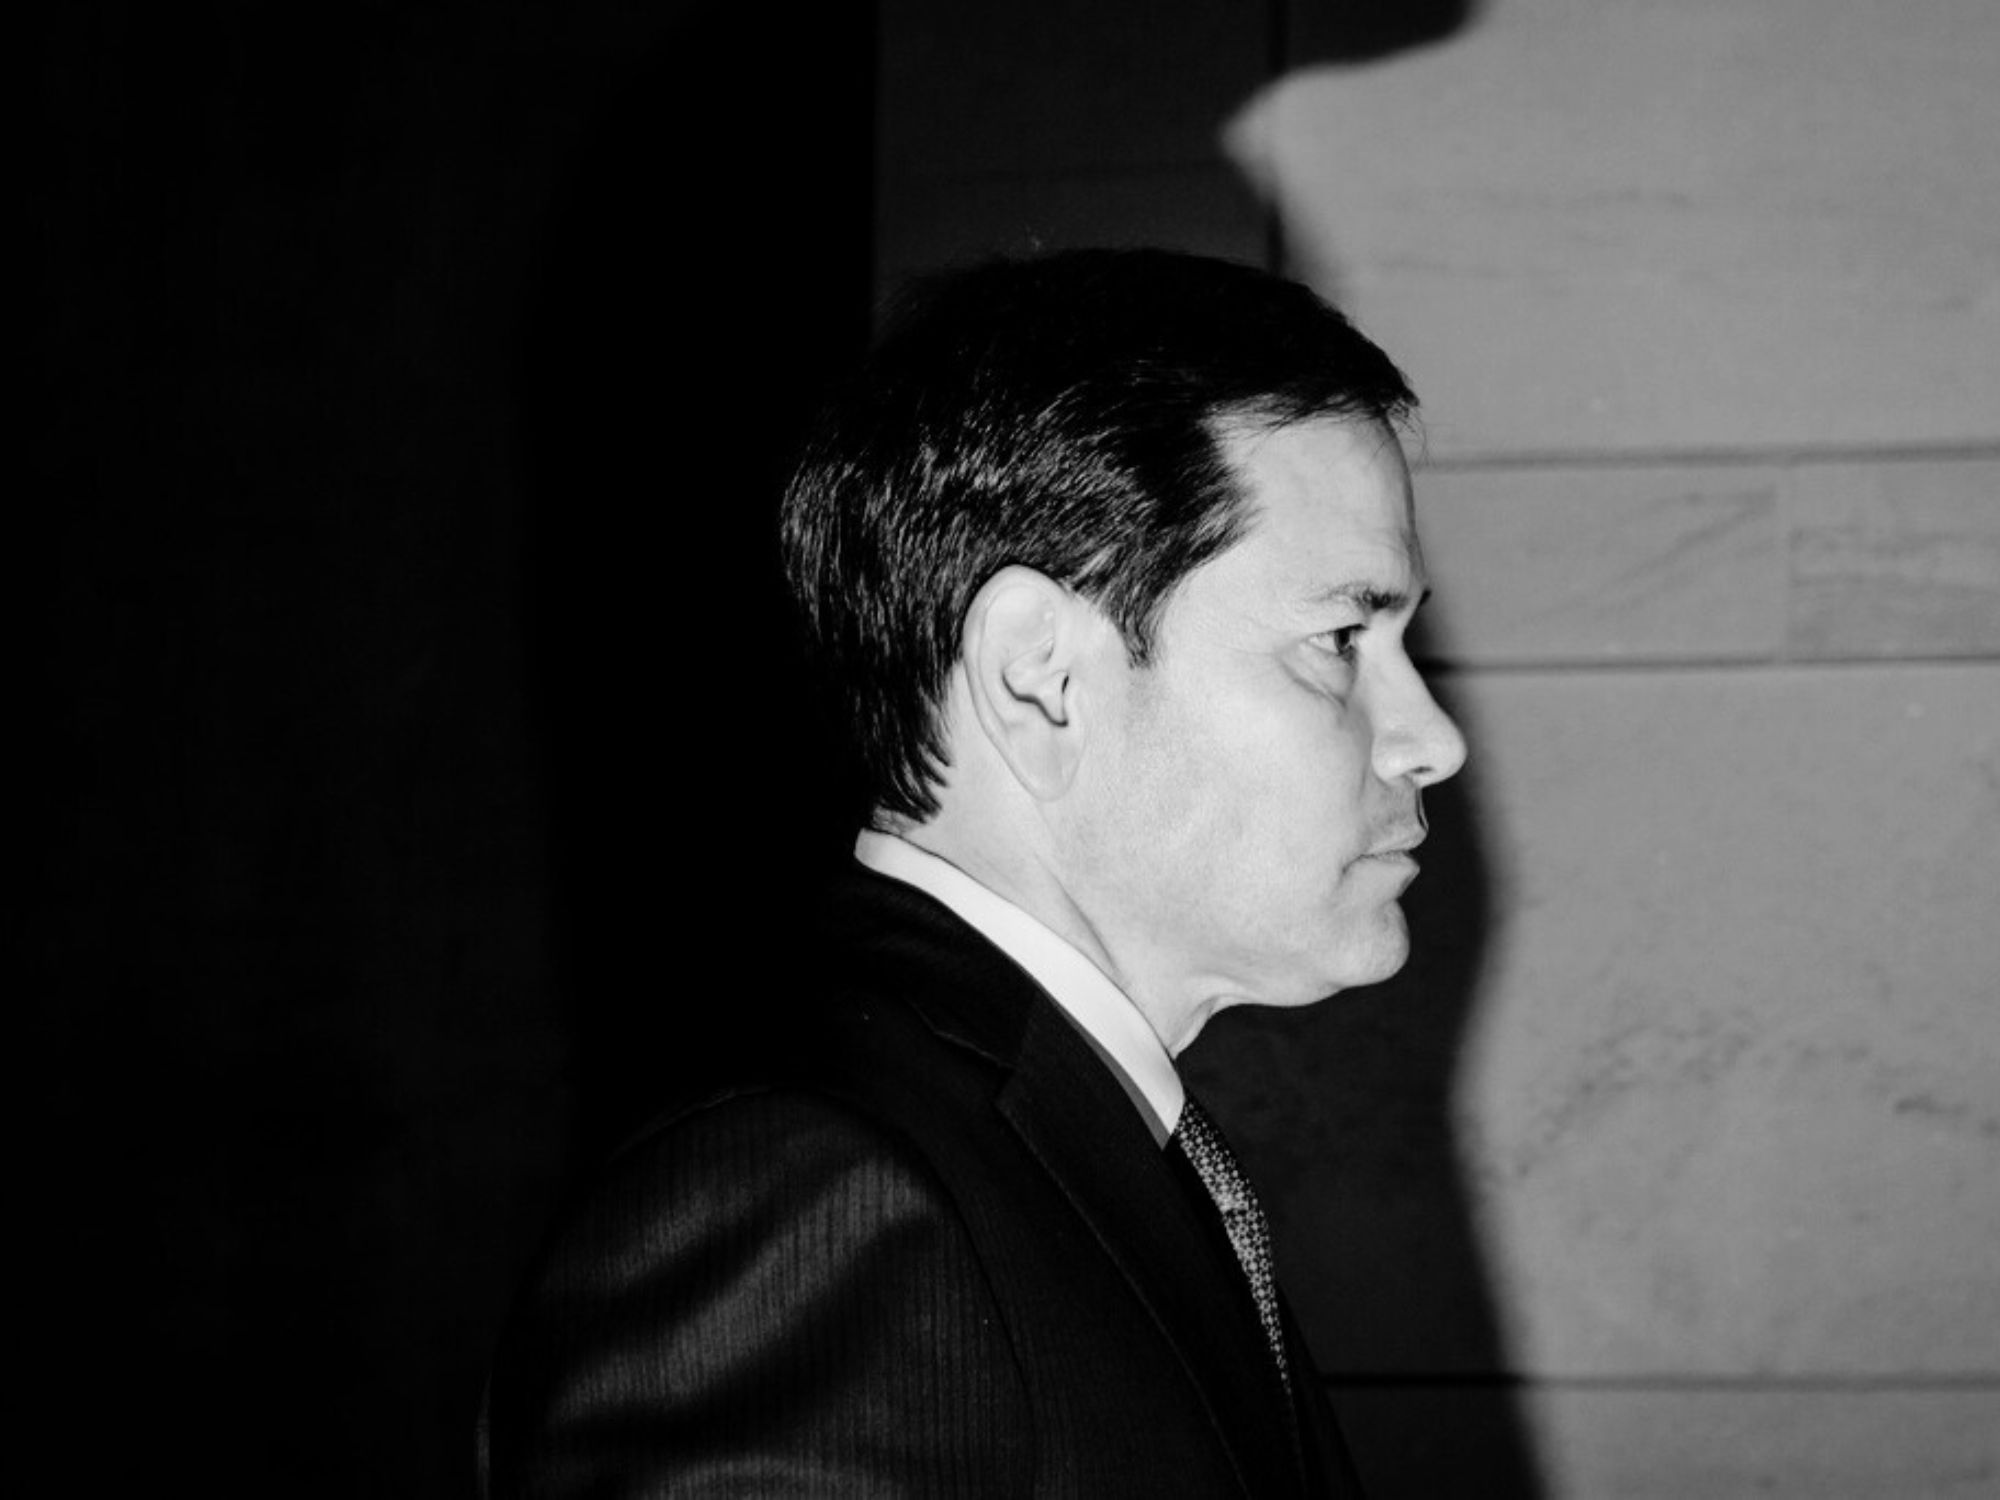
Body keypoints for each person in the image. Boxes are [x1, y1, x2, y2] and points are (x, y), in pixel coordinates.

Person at [479, 248, 1467, 1497]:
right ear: (1038, 677)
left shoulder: (1060, 1141)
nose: (1431, 739)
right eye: (1338, 638)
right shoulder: (823, 1192)